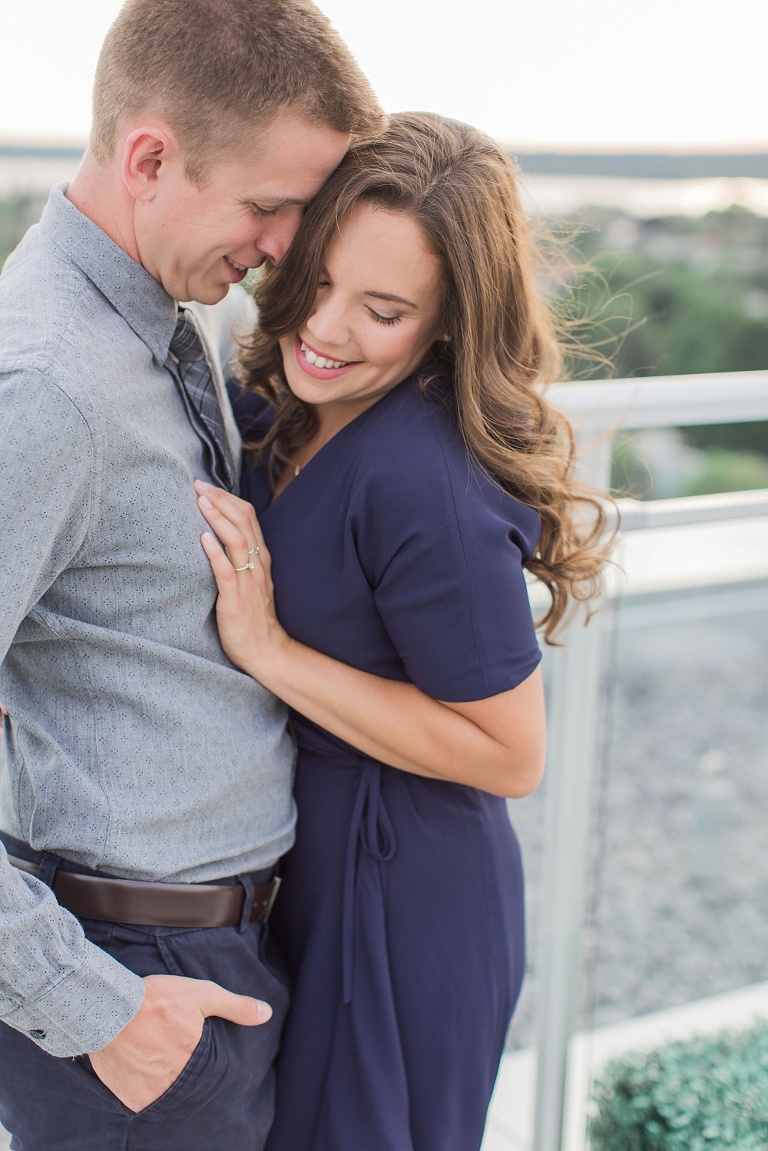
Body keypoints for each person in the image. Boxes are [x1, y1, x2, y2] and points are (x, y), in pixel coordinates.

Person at [0, 1, 383, 1148]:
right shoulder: (50, 389)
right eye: (268, 207)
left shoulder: (164, 324)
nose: (282, 246)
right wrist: (95, 1010)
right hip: (131, 982)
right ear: (150, 157)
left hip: (205, 954)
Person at [194, 111, 611, 1151]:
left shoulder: (419, 477)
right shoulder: (284, 398)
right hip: (311, 872)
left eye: (381, 309)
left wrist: (274, 654)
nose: (325, 328)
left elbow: (513, 753)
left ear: (447, 326)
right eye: (320, 281)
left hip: (400, 899)